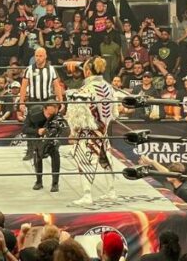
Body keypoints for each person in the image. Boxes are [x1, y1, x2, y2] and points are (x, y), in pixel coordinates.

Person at [64, 60, 119, 205]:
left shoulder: (85, 90)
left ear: (87, 71)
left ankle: (87, 195)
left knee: (85, 162)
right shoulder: (109, 88)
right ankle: (111, 191)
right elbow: (114, 112)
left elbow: (78, 116)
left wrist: (74, 133)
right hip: (104, 130)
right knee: (106, 160)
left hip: (89, 133)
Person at [23, 102, 66, 192]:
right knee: (37, 155)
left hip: (51, 140)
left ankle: (55, 183)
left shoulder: (57, 116)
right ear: (44, 109)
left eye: (53, 114)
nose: (50, 116)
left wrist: (56, 135)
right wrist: (37, 131)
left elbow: (65, 130)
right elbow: (25, 129)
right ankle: (39, 181)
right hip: (37, 139)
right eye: (48, 114)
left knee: (55, 153)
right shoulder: (33, 114)